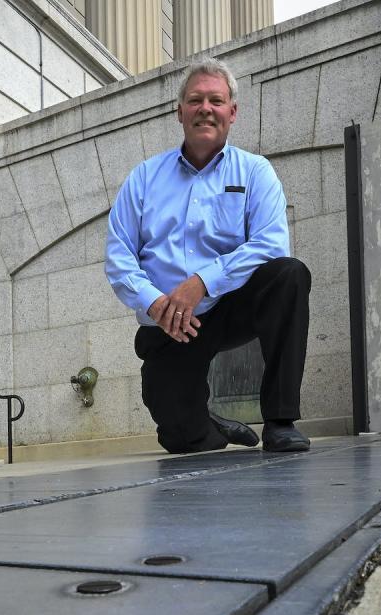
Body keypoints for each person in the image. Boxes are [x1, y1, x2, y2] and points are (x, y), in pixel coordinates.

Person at [105, 57, 311, 454]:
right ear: (179, 111)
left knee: (288, 274)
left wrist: (202, 282)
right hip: (170, 321)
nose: (205, 108)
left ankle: (280, 421)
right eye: (195, 100)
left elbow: (271, 244)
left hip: (233, 303)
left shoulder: (255, 172)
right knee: (182, 438)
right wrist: (157, 302)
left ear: (232, 112)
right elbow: (119, 256)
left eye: (216, 101)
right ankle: (208, 423)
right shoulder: (144, 178)